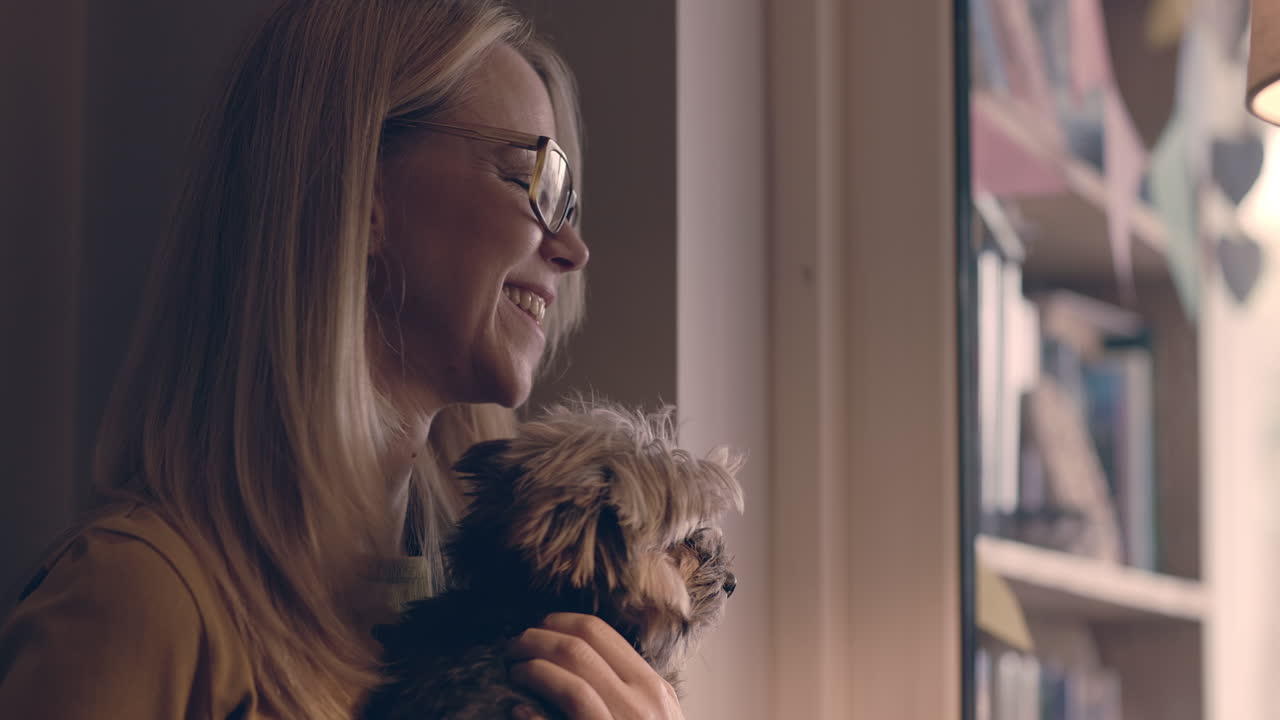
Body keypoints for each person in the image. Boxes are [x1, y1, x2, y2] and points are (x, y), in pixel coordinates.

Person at [0, 1, 685, 718]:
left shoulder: (476, 629)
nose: (573, 249)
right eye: (531, 180)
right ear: (360, 189)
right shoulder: (136, 603)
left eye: (567, 204)